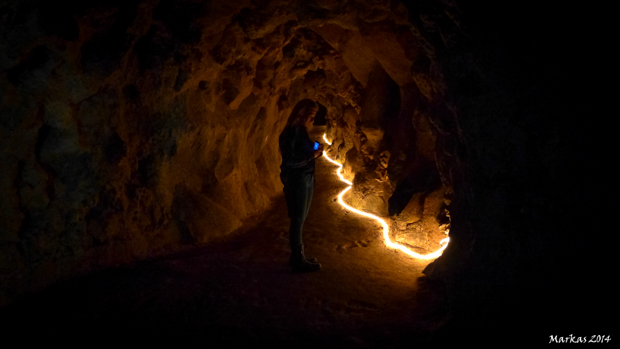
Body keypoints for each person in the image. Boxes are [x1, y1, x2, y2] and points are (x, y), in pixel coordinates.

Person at [279, 99, 324, 273]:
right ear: (301, 114)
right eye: (310, 116)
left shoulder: (301, 131)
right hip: (298, 180)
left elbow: (304, 146)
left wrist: (316, 146)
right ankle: (297, 258)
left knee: (301, 218)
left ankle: (300, 256)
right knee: (297, 220)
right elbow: (290, 161)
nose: (312, 120)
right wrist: (314, 155)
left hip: (306, 177)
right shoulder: (291, 133)